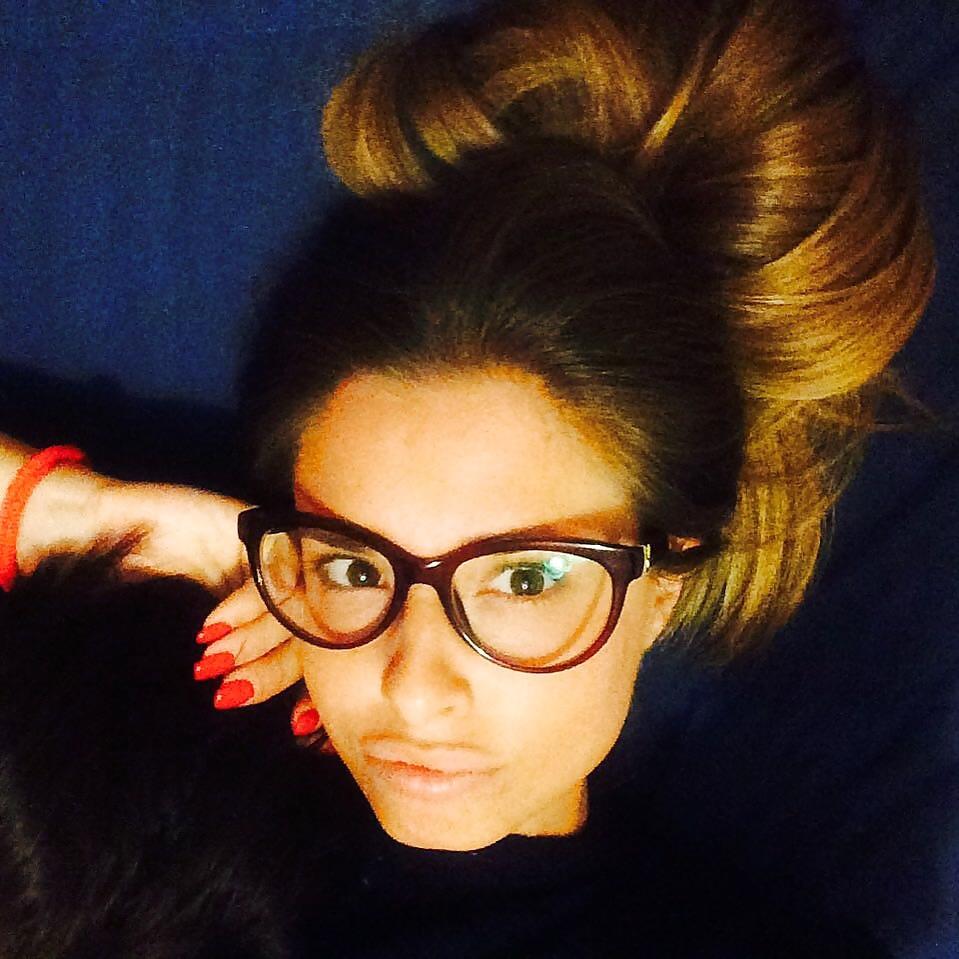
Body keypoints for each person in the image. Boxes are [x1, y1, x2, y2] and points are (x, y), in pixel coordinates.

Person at [0, 0, 940, 952]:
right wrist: (66, 513)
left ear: (663, 585)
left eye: (524, 579)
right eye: (354, 566)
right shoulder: (110, 769)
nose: (414, 690)